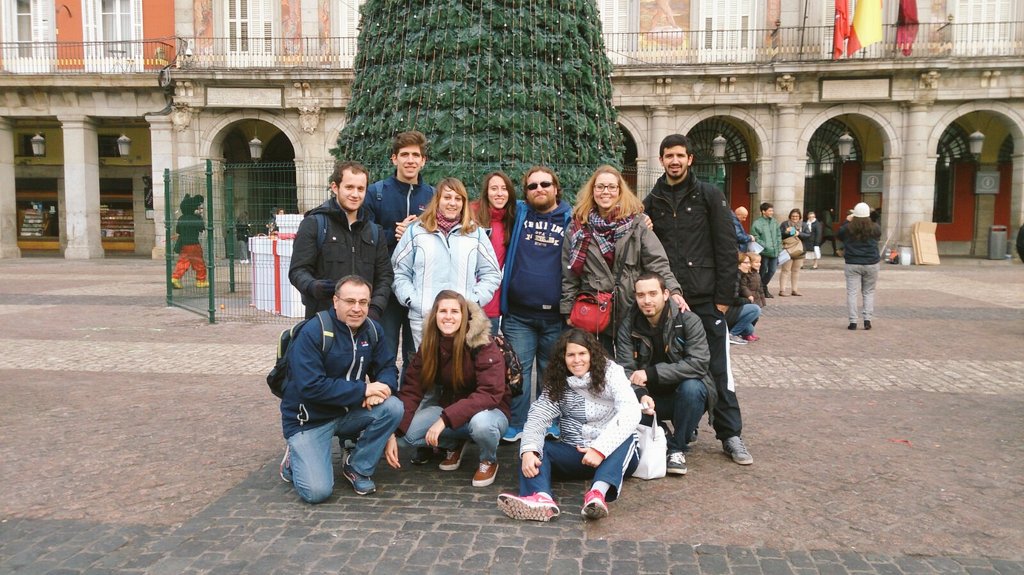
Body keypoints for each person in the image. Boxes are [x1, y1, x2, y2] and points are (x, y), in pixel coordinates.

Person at [644, 134, 753, 466]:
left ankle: (730, 433)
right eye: (668, 156)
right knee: (672, 363)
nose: (674, 161)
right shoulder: (652, 201)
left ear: (690, 159)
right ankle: (685, 424)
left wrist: (723, 299)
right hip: (668, 301)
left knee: (717, 370)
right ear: (661, 160)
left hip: (706, 299)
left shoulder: (709, 195)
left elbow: (725, 248)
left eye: (680, 155)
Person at [278, 275, 403, 502]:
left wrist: (382, 388)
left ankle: (358, 466)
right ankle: (294, 456)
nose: (357, 309)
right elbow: (311, 387)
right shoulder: (313, 332)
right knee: (317, 492)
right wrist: (364, 391)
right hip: (309, 420)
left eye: (363, 302)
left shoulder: (373, 330)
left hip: (349, 412)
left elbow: (387, 367)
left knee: (393, 407)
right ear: (335, 301)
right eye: (350, 301)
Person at [497, 329, 640, 522]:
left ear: (592, 354)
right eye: (570, 355)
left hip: (613, 456)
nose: (577, 360)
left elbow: (631, 412)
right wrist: (529, 451)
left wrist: (599, 449)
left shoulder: (611, 372)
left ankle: (597, 494)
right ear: (563, 358)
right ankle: (541, 498)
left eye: (582, 354)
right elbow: (539, 415)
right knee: (537, 448)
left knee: (627, 435)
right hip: (576, 453)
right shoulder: (558, 381)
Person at [385, 291, 511, 487]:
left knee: (481, 425)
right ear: (435, 315)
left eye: (455, 311)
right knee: (407, 435)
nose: (448, 316)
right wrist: (393, 430)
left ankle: (488, 459)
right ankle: (454, 444)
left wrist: (444, 419)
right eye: (443, 311)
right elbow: (412, 389)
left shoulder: (482, 342)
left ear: (464, 316)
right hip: (452, 410)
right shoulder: (430, 344)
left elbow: (490, 393)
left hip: (490, 412)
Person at [561, 165, 683, 354]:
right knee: (600, 371)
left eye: (611, 187)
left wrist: (673, 290)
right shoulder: (577, 227)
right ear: (592, 191)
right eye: (600, 187)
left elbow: (657, 263)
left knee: (631, 368)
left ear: (620, 191)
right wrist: (568, 309)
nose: (605, 192)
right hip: (595, 309)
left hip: (632, 307)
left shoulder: (636, 224)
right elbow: (570, 273)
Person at [499, 166, 573, 443]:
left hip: (555, 316)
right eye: (532, 186)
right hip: (519, 314)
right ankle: (517, 423)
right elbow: (482, 206)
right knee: (517, 372)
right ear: (526, 192)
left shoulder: (571, 218)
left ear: (556, 188)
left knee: (550, 373)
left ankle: (549, 423)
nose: (539, 189)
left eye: (545, 184)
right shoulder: (518, 213)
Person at [616, 272, 716, 476]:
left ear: (666, 294)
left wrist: (651, 373)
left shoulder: (688, 320)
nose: (647, 300)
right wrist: (640, 393)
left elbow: (698, 364)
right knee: (622, 399)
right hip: (650, 398)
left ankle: (677, 448)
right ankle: (662, 432)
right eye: (641, 295)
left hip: (683, 394)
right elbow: (625, 368)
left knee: (693, 387)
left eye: (653, 293)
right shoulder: (629, 324)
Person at [392, 177, 501, 348]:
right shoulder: (416, 231)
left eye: (458, 199)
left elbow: (492, 273)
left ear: (464, 203)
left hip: (461, 319)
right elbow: (399, 271)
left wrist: (472, 301)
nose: (453, 203)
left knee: (458, 371)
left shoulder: (475, 234)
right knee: (427, 370)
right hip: (424, 317)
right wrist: (414, 300)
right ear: (438, 200)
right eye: (447, 197)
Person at [364, 131, 435, 368]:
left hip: (420, 287)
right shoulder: (376, 192)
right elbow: (363, 234)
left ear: (423, 161)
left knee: (417, 354)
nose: (410, 160)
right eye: (404, 154)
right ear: (394, 159)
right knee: (385, 349)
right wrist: (392, 235)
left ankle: (411, 403)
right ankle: (387, 400)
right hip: (386, 285)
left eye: (416, 155)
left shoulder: (433, 196)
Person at [289, 161, 393, 320]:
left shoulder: (374, 231)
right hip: (323, 319)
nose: (355, 194)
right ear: (335, 187)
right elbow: (298, 270)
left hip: (364, 320)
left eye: (360, 189)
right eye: (349, 187)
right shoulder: (314, 224)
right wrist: (312, 286)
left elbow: (385, 276)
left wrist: (375, 309)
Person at [472, 171, 517, 334]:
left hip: (491, 302)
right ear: (486, 193)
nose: (499, 193)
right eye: (494, 188)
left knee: (485, 355)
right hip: (466, 299)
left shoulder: (512, 219)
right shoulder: (470, 215)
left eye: (504, 189)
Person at [838, 202, 881, 330]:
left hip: (852, 262)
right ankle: (867, 320)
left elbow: (839, 235)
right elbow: (878, 237)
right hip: (871, 262)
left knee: (852, 293)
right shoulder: (875, 227)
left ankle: (853, 322)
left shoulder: (848, 228)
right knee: (868, 292)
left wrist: (847, 221)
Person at [171, 194, 208, 289]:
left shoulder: (181, 218)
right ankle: (201, 281)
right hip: (193, 243)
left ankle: (175, 278)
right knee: (199, 262)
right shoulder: (196, 218)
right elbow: (202, 229)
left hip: (183, 244)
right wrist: (200, 217)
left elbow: (178, 231)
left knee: (183, 261)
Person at [727, 253, 762, 344]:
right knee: (755, 309)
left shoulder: (741, 275)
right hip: (728, 310)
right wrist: (747, 300)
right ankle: (731, 334)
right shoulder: (734, 277)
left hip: (732, 308)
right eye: (746, 263)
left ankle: (732, 331)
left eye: (749, 263)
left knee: (749, 330)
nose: (749, 265)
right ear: (738, 264)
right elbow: (733, 299)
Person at [750, 202, 781, 300]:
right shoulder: (757, 223)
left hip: (775, 251)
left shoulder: (775, 222)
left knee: (772, 271)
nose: (772, 212)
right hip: (764, 252)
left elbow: (779, 235)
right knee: (762, 271)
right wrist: (764, 245)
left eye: (772, 210)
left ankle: (762, 287)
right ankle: (762, 289)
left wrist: (779, 247)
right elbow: (755, 236)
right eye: (770, 210)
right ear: (763, 211)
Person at [777, 208, 809, 296]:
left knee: (796, 271)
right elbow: (779, 235)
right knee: (785, 270)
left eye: (797, 216)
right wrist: (786, 232)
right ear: (790, 217)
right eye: (793, 216)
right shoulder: (785, 224)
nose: (795, 218)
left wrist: (798, 233)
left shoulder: (804, 225)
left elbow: (808, 235)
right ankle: (782, 290)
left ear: (800, 217)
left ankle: (794, 290)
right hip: (788, 250)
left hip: (799, 250)